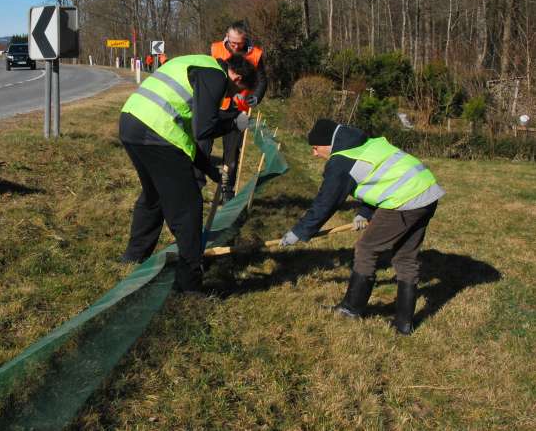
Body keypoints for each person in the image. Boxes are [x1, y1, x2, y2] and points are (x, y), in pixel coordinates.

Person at [279, 119, 444, 334]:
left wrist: (299, 232)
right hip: (427, 192)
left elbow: (325, 203)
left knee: (366, 249)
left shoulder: (341, 161)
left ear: (328, 144)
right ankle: (404, 323)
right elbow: (380, 175)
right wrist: (365, 212)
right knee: (405, 257)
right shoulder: (364, 143)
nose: (314, 154)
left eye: (316, 148)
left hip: (404, 200)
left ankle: (351, 309)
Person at [119, 54, 256, 292]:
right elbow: (204, 129)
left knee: (154, 197)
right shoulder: (216, 76)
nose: (231, 96)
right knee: (189, 206)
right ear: (238, 77)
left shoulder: (197, 64)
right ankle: (189, 284)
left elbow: (192, 132)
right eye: (240, 89)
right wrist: (233, 123)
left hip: (131, 122)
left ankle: (133, 257)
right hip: (157, 133)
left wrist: (211, 171)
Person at [202, 21, 268, 202]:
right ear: (227, 37)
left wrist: (256, 96)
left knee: (232, 152)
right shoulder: (215, 49)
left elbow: (262, 81)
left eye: (238, 43)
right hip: (214, 107)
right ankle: (197, 182)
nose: (235, 46)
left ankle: (227, 190)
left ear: (245, 39)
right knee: (202, 144)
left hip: (238, 110)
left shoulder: (255, 54)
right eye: (232, 42)